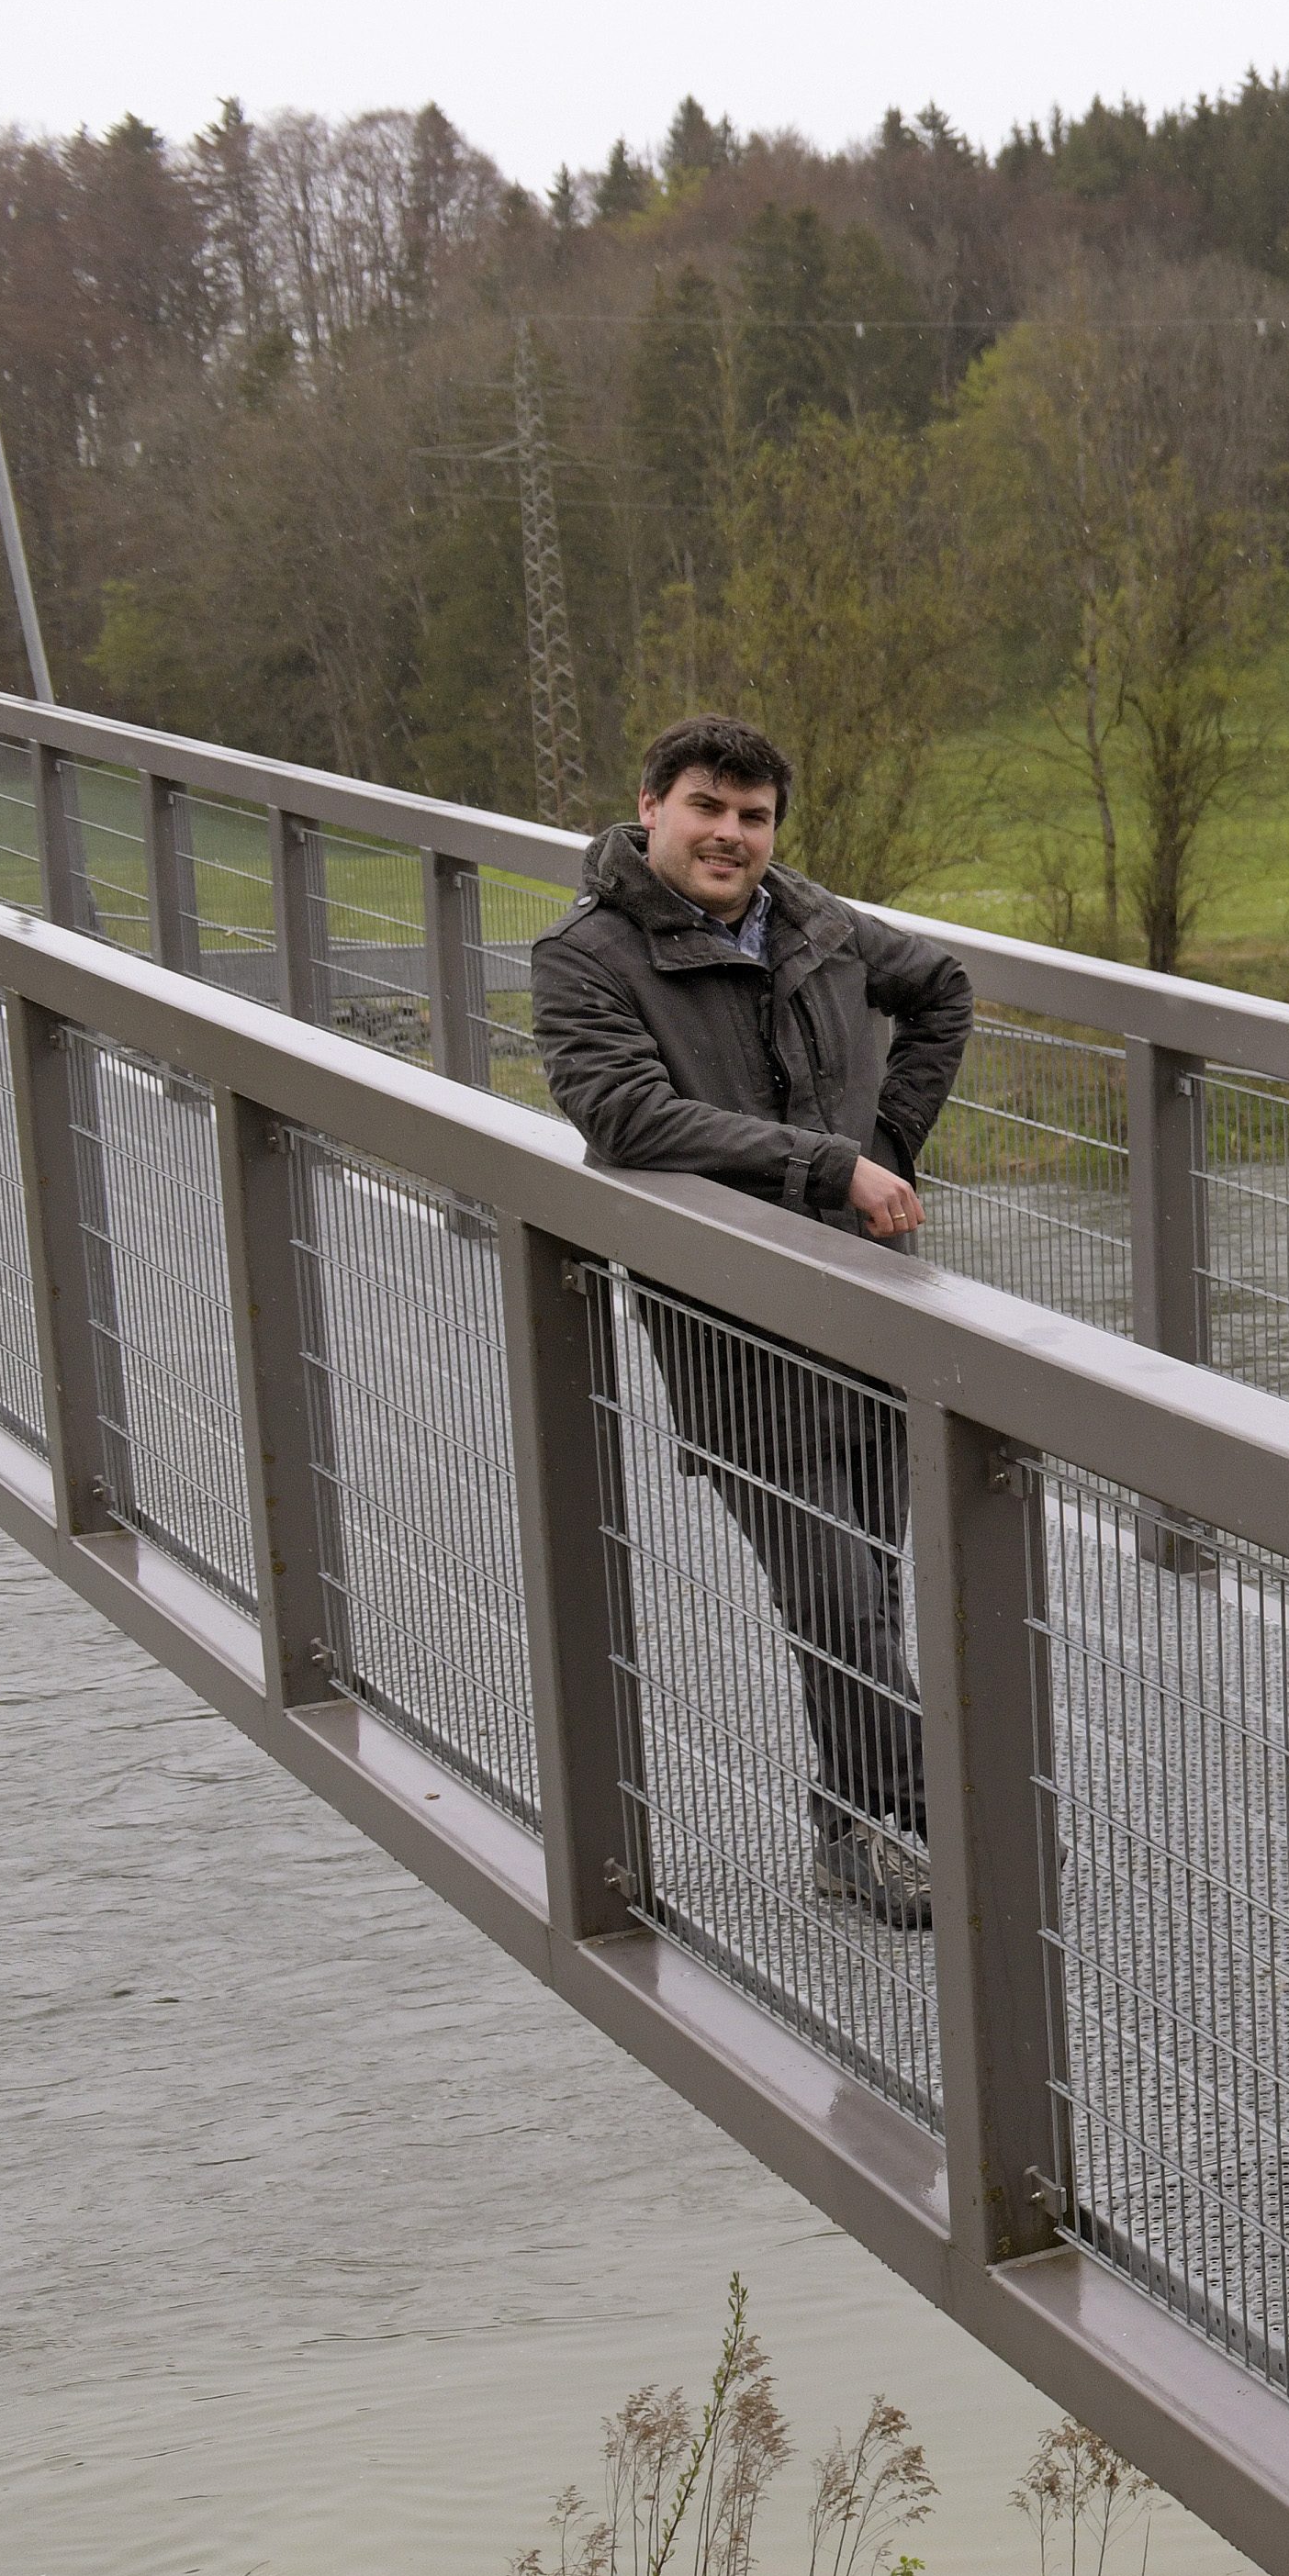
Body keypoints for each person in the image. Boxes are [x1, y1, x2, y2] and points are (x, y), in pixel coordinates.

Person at [530, 712, 975, 1931]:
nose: (731, 836)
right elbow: (623, 1114)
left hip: (867, 1304)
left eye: (754, 816)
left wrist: (885, 1146)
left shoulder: (813, 919)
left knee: (865, 1585)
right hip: (730, 1330)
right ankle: (913, 1818)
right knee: (831, 1589)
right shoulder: (586, 956)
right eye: (707, 809)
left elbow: (940, 989)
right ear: (651, 807)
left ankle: (853, 1832)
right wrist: (826, 1163)